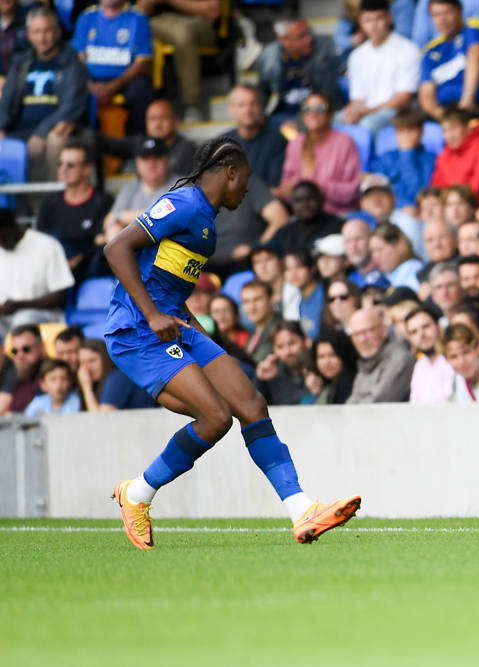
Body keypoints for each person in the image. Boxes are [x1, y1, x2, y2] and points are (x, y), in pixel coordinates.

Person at [102, 136, 361, 549]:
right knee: (216, 418)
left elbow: (169, 282)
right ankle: (136, 495)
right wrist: (152, 314)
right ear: (230, 172)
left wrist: (195, 333)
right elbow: (116, 248)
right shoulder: (184, 204)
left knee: (252, 405)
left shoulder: (205, 220)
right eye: (247, 180)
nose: (247, 189)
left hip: (177, 324)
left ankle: (302, 510)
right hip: (137, 329)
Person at [0, 7, 87, 181]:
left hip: (54, 129)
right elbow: (6, 101)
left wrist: (41, 133)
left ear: (57, 32)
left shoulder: (71, 61)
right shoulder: (21, 62)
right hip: (20, 129)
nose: (42, 37)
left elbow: (72, 105)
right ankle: (11, 206)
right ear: (29, 35)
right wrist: (1, 126)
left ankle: (47, 203)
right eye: (37, 31)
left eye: (47, 31)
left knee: (56, 140)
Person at [72, 0, 152, 136]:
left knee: (142, 89)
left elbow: (142, 63)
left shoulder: (138, 18)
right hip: (91, 79)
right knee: (73, 88)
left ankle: (136, 143)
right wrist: (89, 84)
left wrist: (114, 86)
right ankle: (82, 143)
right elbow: (78, 58)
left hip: (125, 79)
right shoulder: (86, 17)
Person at [339, 0, 420, 135]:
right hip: (366, 111)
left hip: (397, 112)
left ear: (389, 18)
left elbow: (403, 98)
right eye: (368, 20)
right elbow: (357, 98)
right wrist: (353, 112)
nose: (374, 26)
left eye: (378, 19)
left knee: (368, 124)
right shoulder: (357, 55)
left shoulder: (408, 49)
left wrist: (365, 112)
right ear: (360, 22)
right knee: (330, 121)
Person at [35, 140, 113, 279]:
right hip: (51, 270)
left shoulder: (103, 201)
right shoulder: (49, 202)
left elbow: (101, 242)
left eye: (70, 165)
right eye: (60, 164)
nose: (63, 169)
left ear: (87, 169)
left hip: (88, 272)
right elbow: (40, 241)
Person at [276, 92, 361, 215]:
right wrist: (284, 192)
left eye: (320, 109)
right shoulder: (296, 143)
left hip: (338, 214)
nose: (313, 113)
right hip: (305, 215)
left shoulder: (344, 142)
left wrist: (318, 188)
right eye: (307, 109)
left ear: (330, 114)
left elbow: (352, 190)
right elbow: (288, 187)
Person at [418, 0, 479, 120]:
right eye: (436, 15)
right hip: (445, 112)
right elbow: (426, 94)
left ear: (459, 12)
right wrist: (442, 115)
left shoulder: (472, 31)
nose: (442, 19)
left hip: (476, 106)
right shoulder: (430, 51)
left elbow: (476, 57)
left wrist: (466, 102)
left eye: (447, 12)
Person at [0, 209, 74, 338]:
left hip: (43, 314)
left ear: (12, 227)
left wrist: (19, 305)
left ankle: (14, 357)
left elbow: (60, 296)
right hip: (5, 316)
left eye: (3, 237)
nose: (1, 243)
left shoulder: (46, 245)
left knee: (23, 319)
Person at [255, 19, 342, 123]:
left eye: (309, 33)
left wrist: (299, 121)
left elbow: (328, 95)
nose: (309, 39)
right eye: (302, 36)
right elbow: (262, 92)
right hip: (284, 116)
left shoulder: (325, 50)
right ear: (284, 41)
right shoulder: (270, 56)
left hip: (319, 114)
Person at [103, 137, 174, 240]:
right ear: (137, 163)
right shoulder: (130, 187)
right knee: (114, 229)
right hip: (134, 249)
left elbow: (163, 218)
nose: (151, 164)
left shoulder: (181, 185)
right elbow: (109, 221)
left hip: (166, 247)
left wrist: (121, 217)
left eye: (157, 157)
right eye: (145, 158)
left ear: (167, 160)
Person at [369, 109, 437, 208]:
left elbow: (415, 193)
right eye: (401, 131)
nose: (405, 136)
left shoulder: (431, 160)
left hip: (418, 210)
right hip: (390, 209)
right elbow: (377, 191)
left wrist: (408, 153)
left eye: (410, 130)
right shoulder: (385, 158)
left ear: (421, 132)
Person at [346, 306, 416, 403]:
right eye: (356, 334)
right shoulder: (366, 362)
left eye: (368, 331)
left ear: (384, 330)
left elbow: (378, 403)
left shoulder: (400, 359)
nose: (362, 340)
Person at [223, 84, 288, 188]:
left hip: (267, 201)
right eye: (241, 105)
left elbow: (276, 185)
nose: (247, 110)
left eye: (253, 104)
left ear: (261, 107)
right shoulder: (222, 144)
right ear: (231, 110)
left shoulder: (278, 140)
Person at [430, 108, 479, 206]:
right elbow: (437, 186)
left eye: (454, 129)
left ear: (467, 128)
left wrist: (455, 205)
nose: (450, 135)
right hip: (450, 209)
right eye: (445, 131)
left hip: (478, 207)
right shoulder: (444, 154)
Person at [269, 181, 343, 256]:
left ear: (321, 199)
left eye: (310, 198)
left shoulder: (339, 226)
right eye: (299, 200)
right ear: (292, 204)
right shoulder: (284, 233)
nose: (304, 205)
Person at [254, 320, 311, 405]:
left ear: (306, 341)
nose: (287, 352)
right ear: (273, 350)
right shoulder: (271, 375)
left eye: (292, 343)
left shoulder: (321, 368)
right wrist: (261, 381)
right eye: (280, 347)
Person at [405, 306, 454, 403]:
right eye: (414, 332)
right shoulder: (420, 365)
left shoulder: (454, 358)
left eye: (426, 326)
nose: (421, 334)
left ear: (438, 327)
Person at [0, 323, 45, 413]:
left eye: (26, 349)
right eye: (14, 351)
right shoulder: (16, 375)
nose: (20, 356)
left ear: (41, 347)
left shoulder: (53, 375)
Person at [303, 330, 357, 404]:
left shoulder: (349, 383)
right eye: (321, 357)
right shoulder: (325, 384)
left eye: (332, 355)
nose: (327, 362)